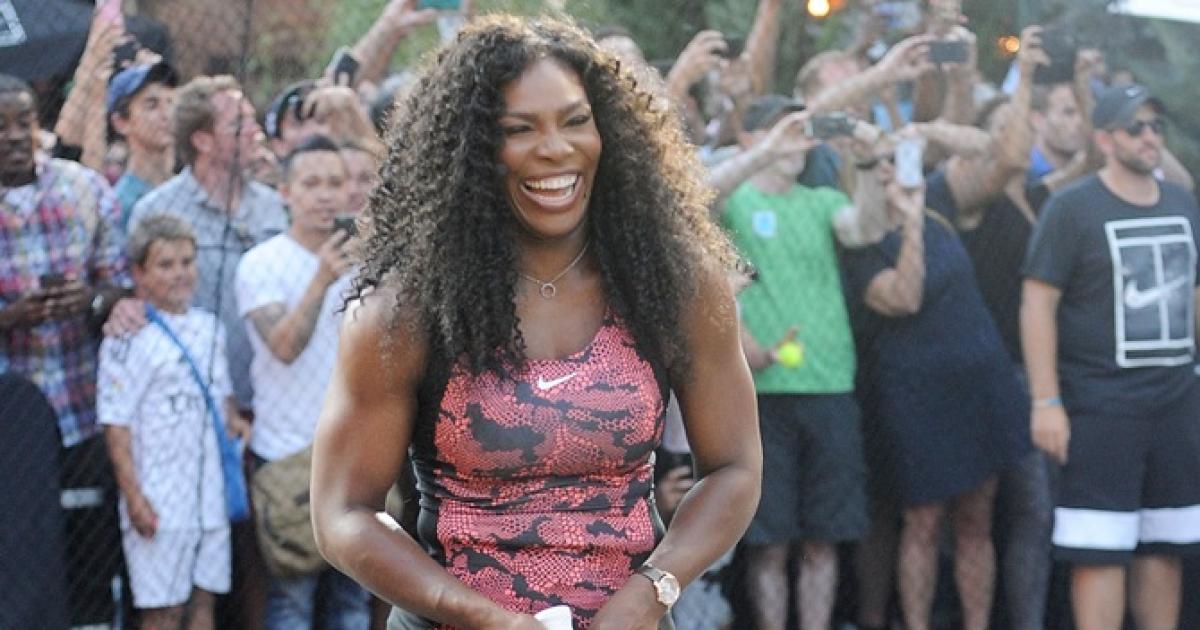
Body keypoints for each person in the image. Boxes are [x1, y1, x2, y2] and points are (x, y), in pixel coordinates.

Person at [309, 15, 762, 630]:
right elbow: (343, 513)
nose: (555, 148)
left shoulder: (672, 286)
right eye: (519, 129)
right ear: (469, 151)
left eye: (575, 121)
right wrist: (481, 616)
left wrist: (653, 589)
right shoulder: (404, 311)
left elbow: (735, 468)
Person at [1021, 84, 1200, 630]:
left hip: (1176, 403)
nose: (1149, 137)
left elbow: (1194, 294)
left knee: (1166, 543)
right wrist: (1046, 401)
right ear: (1104, 139)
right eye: (1135, 127)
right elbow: (1037, 303)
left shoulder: (1181, 202)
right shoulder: (1072, 208)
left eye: (1155, 126)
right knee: (1099, 547)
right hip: (1101, 404)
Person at [841, 134, 1029, 630]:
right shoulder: (858, 242)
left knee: (976, 520)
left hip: (980, 386)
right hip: (918, 397)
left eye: (892, 161)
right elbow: (905, 297)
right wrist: (910, 224)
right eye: (876, 165)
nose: (887, 171)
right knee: (923, 521)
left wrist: (925, 129)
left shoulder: (938, 201)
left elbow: (996, 150)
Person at [711, 94, 883, 630]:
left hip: (830, 384)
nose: (797, 142)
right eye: (781, 128)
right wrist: (765, 151)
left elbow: (867, 228)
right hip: (760, 392)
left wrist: (870, 162)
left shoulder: (822, 200)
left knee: (822, 540)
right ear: (749, 137)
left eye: (803, 132)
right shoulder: (735, 201)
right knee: (769, 542)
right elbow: (698, 199)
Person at [0, 73, 131, 625]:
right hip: (10, 426)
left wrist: (90, 300)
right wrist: (13, 317)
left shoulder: (84, 189)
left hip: (85, 407)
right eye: (1, 126)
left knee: (89, 550)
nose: (14, 135)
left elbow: (120, 285)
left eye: (24, 122)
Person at [234, 135, 366, 629]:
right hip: (287, 456)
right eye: (311, 184)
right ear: (285, 192)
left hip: (354, 455)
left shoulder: (367, 264)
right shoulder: (260, 263)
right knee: (291, 602)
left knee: (353, 602)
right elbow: (285, 347)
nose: (325, 195)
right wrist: (321, 279)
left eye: (335, 182)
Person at [98, 214, 250, 630]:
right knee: (162, 611)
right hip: (160, 495)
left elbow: (223, 403)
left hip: (209, 497)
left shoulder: (210, 328)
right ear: (139, 273)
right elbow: (116, 424)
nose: (180, 273)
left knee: (203, 604)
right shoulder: (126, 337)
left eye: (187, 262)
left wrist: (236, 424)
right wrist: (134, 497)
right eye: (165, 265)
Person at [129, 74, 289, 414]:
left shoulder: (273, 206)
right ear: (202, 140)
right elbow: (136, 302)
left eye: (252, 119)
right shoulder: (156, 211)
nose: (255, 131)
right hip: (194, 400)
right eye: (238, 124)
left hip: (275, 396)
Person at [107, 61, 178, 226]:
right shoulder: (121, 204)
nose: (167, 114)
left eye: (170, 102)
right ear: (121, 122)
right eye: (152, 105)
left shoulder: (190, 189)